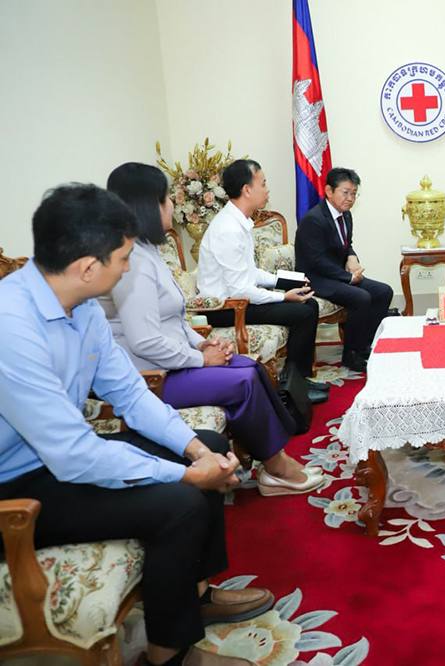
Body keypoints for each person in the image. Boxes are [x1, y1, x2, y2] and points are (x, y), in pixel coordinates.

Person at [0, 184, 273, 666]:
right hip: (16, 488)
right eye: (123, 257)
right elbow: (74, 454)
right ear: (88, 266)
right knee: (181, 502)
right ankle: (170, 655)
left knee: (206, 440)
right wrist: (189, 475)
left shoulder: (81, 306)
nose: (128, 267)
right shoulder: (10, 324)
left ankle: (197, 593)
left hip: (53, 458)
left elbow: (129, 394)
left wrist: (194, 451)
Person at [102, 163, 326, 497]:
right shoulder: (129, 262)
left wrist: (203, 344)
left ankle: (272, 457)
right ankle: (276, 467)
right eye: (167, 200)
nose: (173, 207)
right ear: (148, 205)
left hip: (176, 362)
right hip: (152, 377)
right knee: (243, 381)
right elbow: (145, 340)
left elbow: (174, 319)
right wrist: (199, 359)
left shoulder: (147, 252)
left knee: (250, 366)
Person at [196, 159, 328, 403]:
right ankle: (295, 386)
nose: (267, 190)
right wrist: (283, 296)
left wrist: (288, 281)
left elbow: (252, 273)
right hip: (224, 308)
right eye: (263, 183)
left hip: (240, 297)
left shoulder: (240, 222)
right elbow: (240, 290)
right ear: (247, 189)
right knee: (303, 311)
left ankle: (298, 379)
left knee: (307, 303)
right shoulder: (228, 229)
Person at [294, 167, 393, 373]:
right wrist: (348, 277)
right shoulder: (314, 220)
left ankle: (365, 345)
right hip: (315, 278)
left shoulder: (345, 216)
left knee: (384, 291)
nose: (350, 198)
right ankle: (351, 354)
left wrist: (351, 256)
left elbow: (346, 244)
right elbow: (316, 261)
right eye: (345, 192)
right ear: (329, 191)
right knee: (361, 297)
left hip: (337, 274)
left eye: (354, 193)